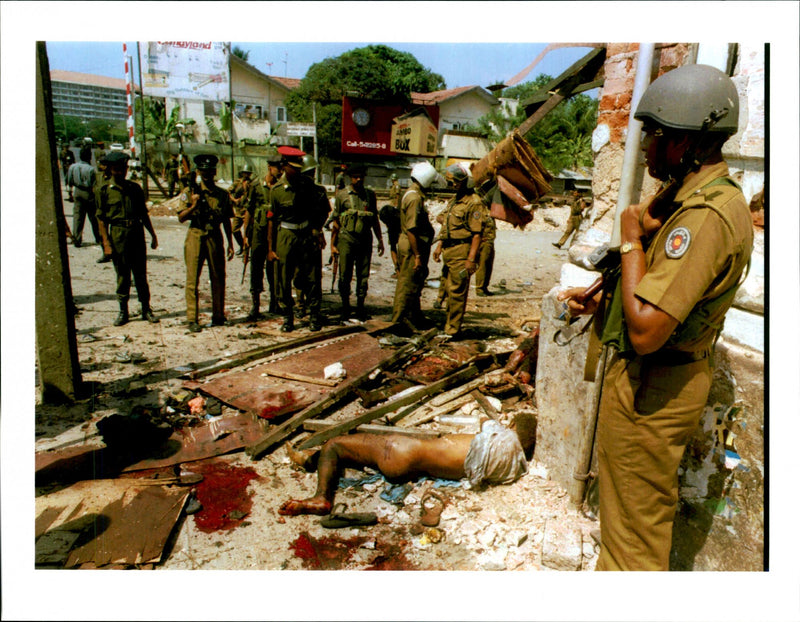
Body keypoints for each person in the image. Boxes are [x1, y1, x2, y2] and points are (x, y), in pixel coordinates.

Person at [558, 64, 754, 571]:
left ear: (685, 142)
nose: (645, 151)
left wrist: (629, 236)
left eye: (654, 137)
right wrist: (604, 299)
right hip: (653, 380)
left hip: (655, 385)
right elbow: (658, 287)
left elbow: (646, 330)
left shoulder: (704, 217)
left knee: (633, 544)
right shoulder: (689, 199)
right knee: (625, 523)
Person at [278, 412, 536, 517]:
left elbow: (484, 420)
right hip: (411, 466)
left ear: (511, 429)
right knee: (354, 453)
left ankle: (320, 497)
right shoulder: (509, 464)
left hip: (401, 452)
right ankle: (315, 460)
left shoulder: (499, 435)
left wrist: (504, 424)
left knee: (335, 444)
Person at [95, 151, 159, 326]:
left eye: (123, 169)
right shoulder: (104, 191)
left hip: (136, 234)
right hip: (118, 235)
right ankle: (123, 311)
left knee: (141, 275)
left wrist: (153, 234)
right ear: (110, 170)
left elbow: (143, 215)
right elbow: (101, 220)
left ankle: (146, 309)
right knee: (122, 275)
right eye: (116, 170)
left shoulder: (134, 189)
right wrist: (106, 245)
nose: (120, 173)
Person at [268, 146, 327, 333]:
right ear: (285, 166)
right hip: (286, 235)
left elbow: (322, 210)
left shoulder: (309, 187)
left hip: (306, 234)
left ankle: (314, 315)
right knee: (283, 278)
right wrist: (271, 248)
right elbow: (272, 220)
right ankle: (288, 317)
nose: (298, 171)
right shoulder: (277, 191)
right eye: (294, 167)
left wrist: (317, 229)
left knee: (312, 277)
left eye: (300, 168)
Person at [177, 154, 235, 333]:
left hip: (214, 235)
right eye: (204, 171)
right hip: (196, 234)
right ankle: (192, 318)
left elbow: (226, 219)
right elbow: (181, 217)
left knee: (218, 277)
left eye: (210, 171)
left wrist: (230, 243)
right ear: (199, 172)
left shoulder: (222, 195)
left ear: (215, 172)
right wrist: (193, 206)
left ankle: (218, 315)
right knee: (192, 278)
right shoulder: (190, 192)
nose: (208, 174)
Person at [431, 163, 483, 337]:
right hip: (449, 251)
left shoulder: (474, 203)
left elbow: (477, 234)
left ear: (464, 182)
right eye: (450, 182)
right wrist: (439, 245)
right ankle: (449, 324)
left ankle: (452, 330)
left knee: (457, 293)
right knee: (448, 288)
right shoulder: (455, 200)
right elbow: (446, 225)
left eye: (455, 182)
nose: (452, 185)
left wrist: (471, 259)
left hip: (462, 252)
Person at [330, 163, 385, 321]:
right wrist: (333, 245)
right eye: (355, 177)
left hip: (365, 239)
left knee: (363, 276)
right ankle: (345, 306)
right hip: (346, 239)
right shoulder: (342, 195)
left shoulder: (369, 195)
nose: (359, 179)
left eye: (361, 176)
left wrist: (380, 240)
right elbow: (336, 221)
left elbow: (374, 219)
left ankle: (360, 306)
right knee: (345, 274)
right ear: (350, 178)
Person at [391, 161, 437, 332]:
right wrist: (417, 255)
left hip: (413, 245)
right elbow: (411, 229)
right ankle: (398, 323)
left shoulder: (411, 194)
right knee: (406, 285)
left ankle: (414, 318)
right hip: (412, 246)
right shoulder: (414, 198)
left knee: (415, 284)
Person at [293, 154, 331, 326]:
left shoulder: (318, 192)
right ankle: (302, 306)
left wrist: (317, 228)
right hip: (300, 237)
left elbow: (325, 212)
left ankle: (312, 311)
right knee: (301, 275)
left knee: (312, 277)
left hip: (311, 238)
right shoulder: (295, 191)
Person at [243, 154, 282, 320]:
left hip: (276, 234)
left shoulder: (281, 187)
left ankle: (274, 303)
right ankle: (255, 305)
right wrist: (245, 235)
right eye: (277, 168)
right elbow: (249, 210)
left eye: (281, 168)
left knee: (274, 270)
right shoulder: (256, 185)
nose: (280, 171)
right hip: (258, 233)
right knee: (256, 268)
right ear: (269, 167)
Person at [66, 145, 101, 250]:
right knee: (93, 217)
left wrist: (71, 192)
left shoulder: (73, 167)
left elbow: (69, 180)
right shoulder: (91, 169)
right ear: (89, 157)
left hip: (77, 191)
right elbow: (93, 184)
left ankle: (77, 238)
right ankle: (98, 238)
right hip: (88, 193)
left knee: (78, 217)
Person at [380, 173, 402, 276]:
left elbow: (397, 196)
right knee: (394, 245)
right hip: (393, 212)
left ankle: (399, 270)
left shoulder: (397, 185)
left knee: (397, 246)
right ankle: (399, 270)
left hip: (395, 210)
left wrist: (396, 206)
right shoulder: (394, 185)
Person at [228, 164, 253, 256]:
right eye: (245, 173)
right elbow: (228, 192)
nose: (246, 175)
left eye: (248, 173)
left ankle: (246, 251)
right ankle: (241, 246)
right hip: (238, 211)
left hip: (247, 211)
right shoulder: (237, 183)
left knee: (247, 232)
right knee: (234, 230)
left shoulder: (252, 184)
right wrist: (234, 200)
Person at [474, 207, 497, 296]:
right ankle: (479, 288)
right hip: (483, 242)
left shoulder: (491, 211)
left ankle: (485, 287)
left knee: (489, 266)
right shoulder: (479, 211)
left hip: (490, 242)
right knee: (482, 265)